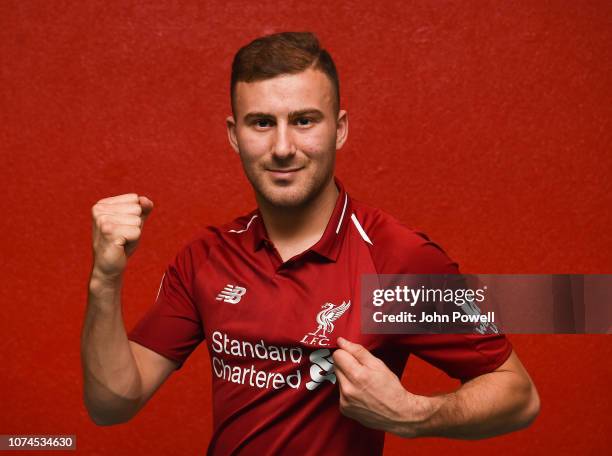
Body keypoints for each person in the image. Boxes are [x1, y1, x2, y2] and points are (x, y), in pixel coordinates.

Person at [81, 31, 540, 455]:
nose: (283, 146)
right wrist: (105, 281)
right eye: (261, 123)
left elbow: (518, 395)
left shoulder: (395, 258)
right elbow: (112, 405)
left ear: (339, 129)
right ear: (233, 135)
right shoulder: (206, 257)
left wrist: (413, 415)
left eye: (304, 120)